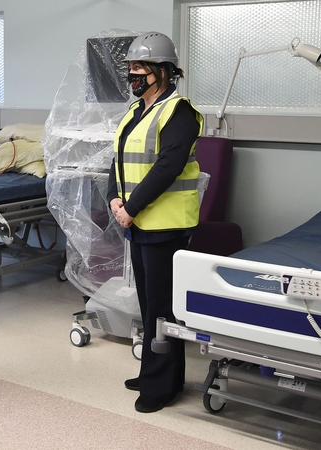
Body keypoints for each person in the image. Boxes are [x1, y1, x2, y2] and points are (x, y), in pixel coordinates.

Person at [107, 32, 203, 413]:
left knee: (163, 308)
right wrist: (115, 197)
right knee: (148, 307)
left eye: (140, 69)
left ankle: (162, 387)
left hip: (164, 225)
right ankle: (154, 372)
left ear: (163, 71)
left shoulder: (179, 112)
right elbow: (118, 159)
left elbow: (167, 167)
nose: (133, 76)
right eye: (130, 69)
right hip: (138, 222)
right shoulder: (135, 112)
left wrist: (130, 208)